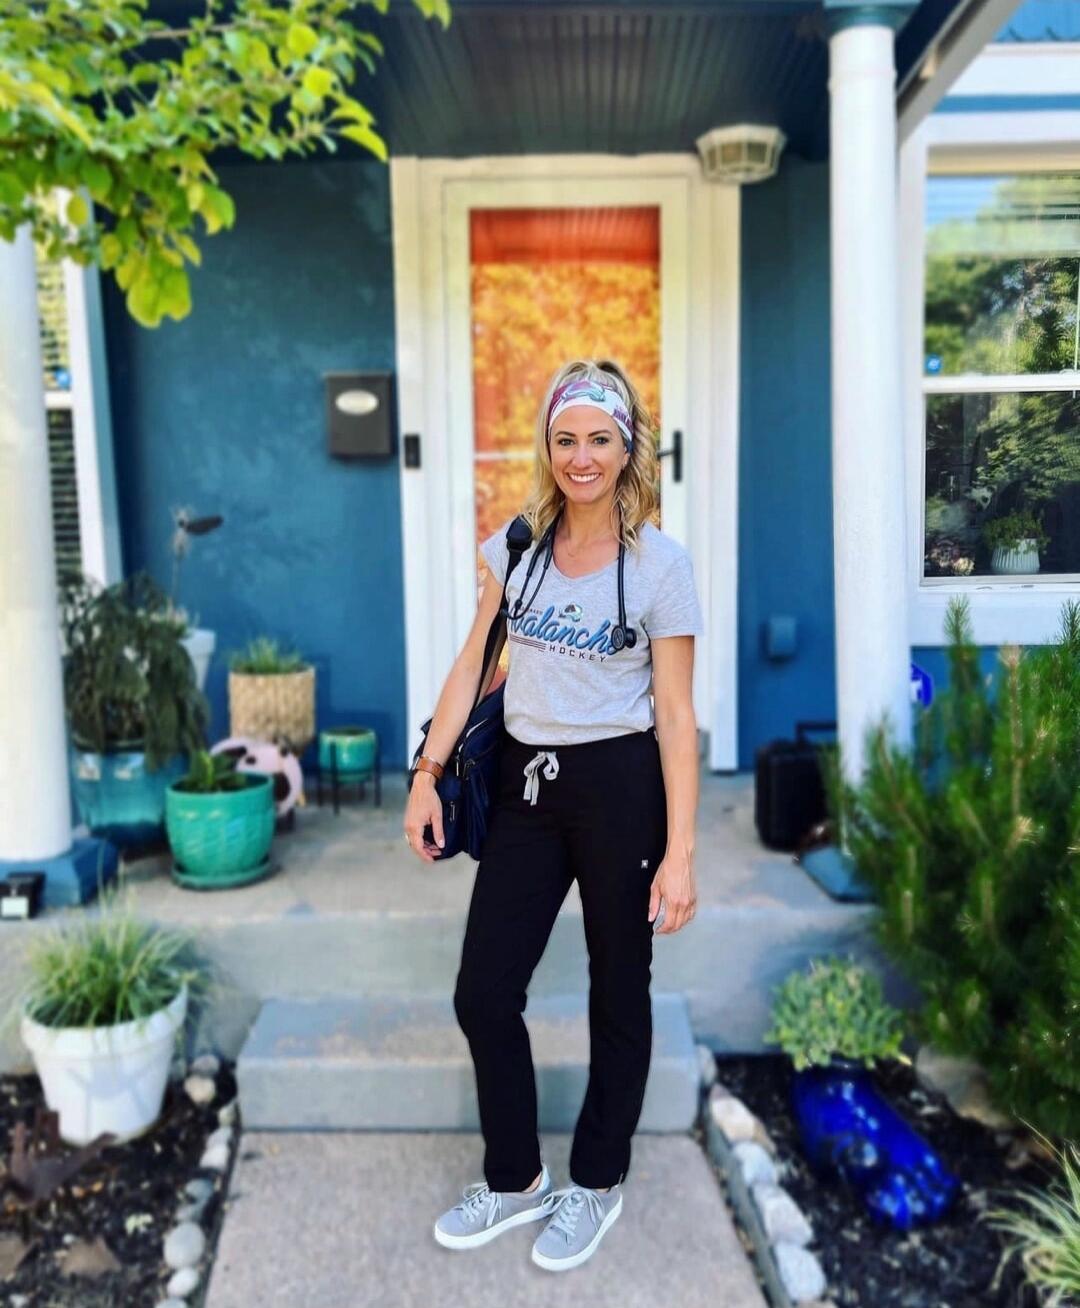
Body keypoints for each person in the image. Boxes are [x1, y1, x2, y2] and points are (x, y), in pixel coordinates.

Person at [403, 357, 704, 1272]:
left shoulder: (660, 567)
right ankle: (516, 1178)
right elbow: (472, 665)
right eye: (566, 439)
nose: (582, 457)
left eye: (599, 439)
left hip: (621, 790)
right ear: (548, 445)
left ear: (627, 447)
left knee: (620, 990)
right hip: (527, 790)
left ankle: (598, 1181)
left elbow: (676, 716)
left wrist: (681, 851)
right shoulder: (517, 549)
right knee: (483, 991)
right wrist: (427, 772)